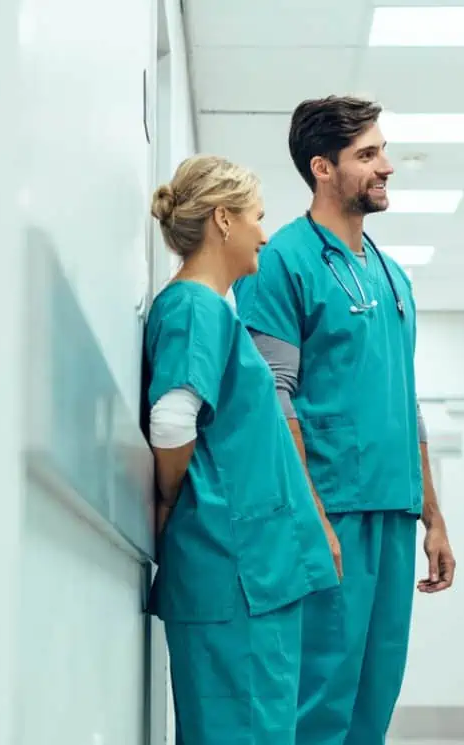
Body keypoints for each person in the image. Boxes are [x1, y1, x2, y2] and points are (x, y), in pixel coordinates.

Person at [231, 95, 456, 745]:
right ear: (322, 167)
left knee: (373, 697)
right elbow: (273, 398)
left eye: (383, 150)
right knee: (319, 698)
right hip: (329, 510)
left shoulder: (391, 276)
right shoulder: (282, 261)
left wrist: (434, 516)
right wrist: (311, 516)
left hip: (392, 507)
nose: (386, 165)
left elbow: (404, 400)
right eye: (368, 154)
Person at [141, 154, 341, 745]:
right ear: (222, 221)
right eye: (256, 216)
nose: (263, 232)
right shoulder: (194, 305)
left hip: (250, 566)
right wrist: (172, 499)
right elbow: (173, 419)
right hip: (234, 567)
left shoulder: (213, 308)